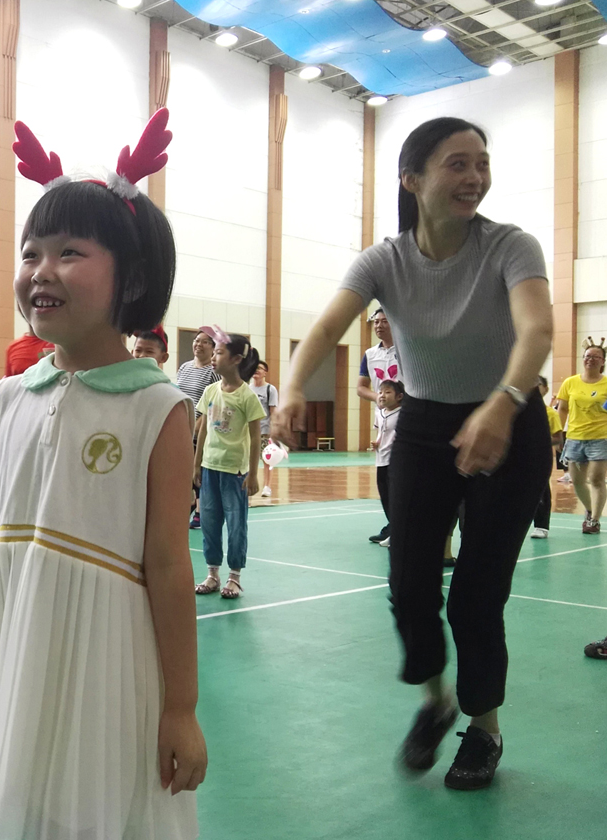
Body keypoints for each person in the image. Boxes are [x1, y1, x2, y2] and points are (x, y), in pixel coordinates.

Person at [273, 117, 552, 791]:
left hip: (509, 421)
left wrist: (502, 403)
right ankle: (435, 701)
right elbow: (324, 330)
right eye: (457, 163)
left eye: (481, 163)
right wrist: (291, 390)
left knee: (476, 597)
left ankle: (483, 730)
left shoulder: (510, 245)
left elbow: (537, 329)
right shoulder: (383, 262)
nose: (475, 177)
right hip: (424, 428)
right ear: (412, 179)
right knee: (408, 586)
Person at [0, 111, 204, 839]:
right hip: (15, 634)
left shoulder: (158, 407)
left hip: (105, 656)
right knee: (27, 800)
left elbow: (168, 563)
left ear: (133, 278)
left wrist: (180, 706)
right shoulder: (8, 397)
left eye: (69, 252)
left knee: (95, 807)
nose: (41, 269)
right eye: (31, 251)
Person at [192, 329, 264, 600]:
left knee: (236, 525)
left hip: (235, 473)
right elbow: (203, 430)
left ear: (236, 359)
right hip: (210, 469)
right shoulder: (210, 390)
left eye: (219, 353)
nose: (213, 357)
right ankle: (212, 574)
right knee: (209, 523)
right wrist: (196, 465)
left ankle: (234, 577)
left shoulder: (248, 397)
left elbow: (256, 438)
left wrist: (253, 474)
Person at [556, 340, 607, 535]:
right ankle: (590, 509)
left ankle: (594, 521)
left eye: (595, 357)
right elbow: (562, 409)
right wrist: (558, 433)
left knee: (596, 479)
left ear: (602, 361)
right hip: (575, 438)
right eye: (587, 356)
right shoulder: (570, 383)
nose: (590, 359)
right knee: (577, 481)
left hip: (601, 438)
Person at [360, 308, 401, 543]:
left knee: (400, 477)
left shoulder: (406, 350)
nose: (379, 325)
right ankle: (393, 525)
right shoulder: (369, 354)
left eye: (384, 321)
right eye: (376, 322)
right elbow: (360, 387)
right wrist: (379, 397)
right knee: (383, 478)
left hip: (405, 417)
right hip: (383, 421)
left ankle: (401, 527)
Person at [176, 327, 220, 529]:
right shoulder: (184, 367)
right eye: (196, 340)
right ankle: (191, 502)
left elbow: (215, 402)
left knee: (198, 470)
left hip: (200, 429)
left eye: (204, 342)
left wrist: (197, 427)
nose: (198, 344)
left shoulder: (214, 372)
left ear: (213, 348)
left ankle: (201, 512)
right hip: (181, 427)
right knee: (182, 470)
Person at [373, 379, 405, 548]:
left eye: (387, 392)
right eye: (380, 392)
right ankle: (394, 531)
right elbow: (381, 433)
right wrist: (377, 442)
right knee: (385, 499)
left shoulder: (403, 414)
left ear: (399, 396)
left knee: (396, 499)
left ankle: (399, 534)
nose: (382, 395)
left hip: (395, 462)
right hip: (381, 461)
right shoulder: (380, 413)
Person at [531, 377, 562, 539]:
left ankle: (541, 526)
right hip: (519, 457)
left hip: (539, 456)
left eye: (538, 384)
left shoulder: (550, 413)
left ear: (546, 389)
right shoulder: (518, 411)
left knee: (541, 490)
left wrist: (538, 440)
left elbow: (557, 438)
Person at [250, 361, 279, 497]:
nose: (256, 370)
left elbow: (273, 412)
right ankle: (248, 484)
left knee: (267, 459)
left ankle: (267, 486)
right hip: (249, 431)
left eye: (260, 368)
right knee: (249, 460)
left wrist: (274, 432)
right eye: (254, 368)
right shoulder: (247, 388)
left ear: (265, 372)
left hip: (264, 431)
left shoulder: (270, 389)